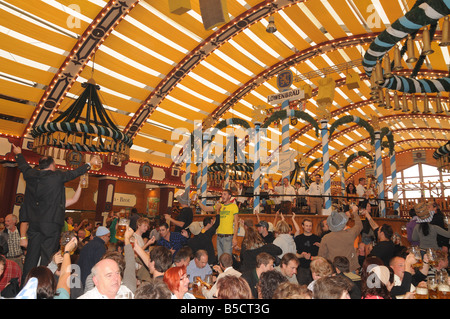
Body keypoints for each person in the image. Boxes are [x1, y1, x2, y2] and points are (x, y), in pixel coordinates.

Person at [11, 143, 98, 283]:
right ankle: (43, 285)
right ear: (52, 165)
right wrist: (89, 164)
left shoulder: (30, 174)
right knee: (48, 257)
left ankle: (25, 286)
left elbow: (23, 165)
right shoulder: (56, 176)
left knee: (31, 257)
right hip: (50, 224)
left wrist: (18, 153)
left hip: (34, 224)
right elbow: (73, 173)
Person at [318, 204, 363, 273]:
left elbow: (322, 257)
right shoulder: (350, 234)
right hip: (350, 270)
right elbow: (359, 225)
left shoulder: (326, 238)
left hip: (334, 271)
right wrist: (354, 212)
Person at [199, 189, 239, 258]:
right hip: (219, 236)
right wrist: (197, 201)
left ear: (229, 196)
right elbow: (205, 209)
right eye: (222, 194)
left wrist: (235, 237)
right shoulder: (219, 206)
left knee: (226, 258)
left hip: (228, 236)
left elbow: (236, 223)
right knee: (219, 258)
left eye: (224, 194)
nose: (222, 196)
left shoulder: (234, 206)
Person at [292, 215, 320, 285]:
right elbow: (294, 254)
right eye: (307, 226)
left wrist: (312, 257)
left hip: (314, 268)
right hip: (301, 268)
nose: (308, 227)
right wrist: (302, 255)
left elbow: (321, 255)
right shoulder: (298, 238)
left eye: (310, 226)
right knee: (301, 288)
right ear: (303, 226)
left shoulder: (317, 238)